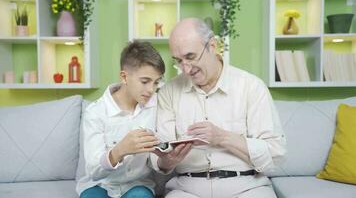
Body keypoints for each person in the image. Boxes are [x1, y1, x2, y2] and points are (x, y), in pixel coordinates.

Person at [151, 18, 287, 198]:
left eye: (191, 57)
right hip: (188, 188)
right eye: (178, 60)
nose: (185, 69)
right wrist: (166, 161)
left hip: (247, 187)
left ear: (212, 46)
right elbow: (161, 156)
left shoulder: (251, 86)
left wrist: (222, 137)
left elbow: (275, 154)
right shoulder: (169, 92)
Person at [76, 41, 165, 198]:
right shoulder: (95, 112)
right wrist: (120, 150)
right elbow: (94, 170)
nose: (151, 90)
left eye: (156, 82)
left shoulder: (157, 105)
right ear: (124, 77)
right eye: (145, 81)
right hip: (100, 184)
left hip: (138, 185)